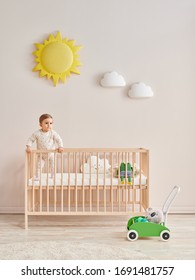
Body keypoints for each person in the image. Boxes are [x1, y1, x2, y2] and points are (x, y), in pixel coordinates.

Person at [26, 114, 64, 178]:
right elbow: (30, 139)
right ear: (40, 124)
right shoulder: (37, 133)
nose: (49, 125)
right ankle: (37, 177)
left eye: (51, 123)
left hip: (51, 153)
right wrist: (28, 147)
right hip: (41, 154)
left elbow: (59, 139)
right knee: (39, 166)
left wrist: (60, 146)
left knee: (53, 165)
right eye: (46, 123)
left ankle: (53, 176)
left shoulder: (53, 133)